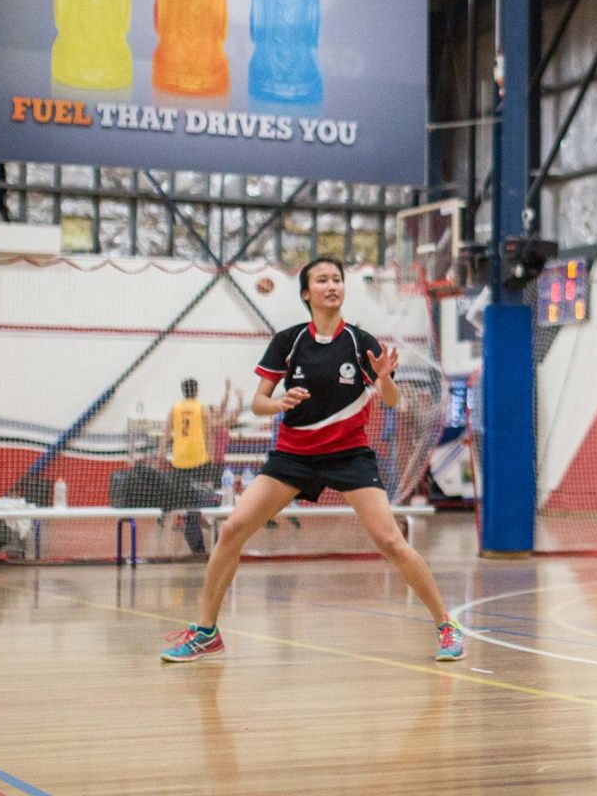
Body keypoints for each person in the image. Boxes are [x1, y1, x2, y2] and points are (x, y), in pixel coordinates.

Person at [160, 257, 464, 664]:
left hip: (348, 455)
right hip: (294, 455)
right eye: (322, 280)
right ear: (307, 293)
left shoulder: (360, 342)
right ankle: (206, 632)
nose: (332, 285)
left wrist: (384, 379)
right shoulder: (288, 342)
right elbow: (259, 401)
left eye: (337, 279)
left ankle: (446, 624)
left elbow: (392, 401)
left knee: (390, 540)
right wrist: (279, 402)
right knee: (232, 529)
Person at [163, 377, 242, 554]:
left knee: (214, 499)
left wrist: (234, 397)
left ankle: (206, 527)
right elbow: (223, 409)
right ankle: (195, 526)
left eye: (218, 411)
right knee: (200, 499)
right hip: (207, 465)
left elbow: (229, 413)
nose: (218, 411)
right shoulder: (209, 423)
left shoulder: (219, 423)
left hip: (218, 467)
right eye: (215, 410)